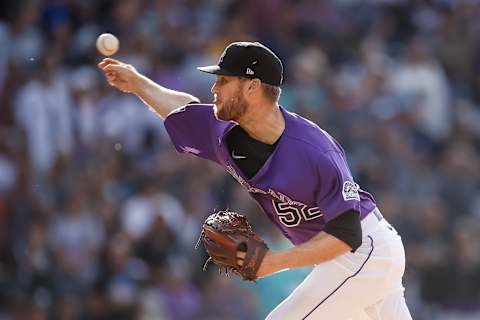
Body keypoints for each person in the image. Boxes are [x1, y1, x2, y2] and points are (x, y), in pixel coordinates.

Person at [98, 41, 412, 319]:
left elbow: (346, 234)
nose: (214, 89)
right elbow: (183, 109)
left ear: (252, 86)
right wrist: (137, 83)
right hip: (347, 259)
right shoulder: (224, 132)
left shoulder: (314, 150)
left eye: (223, 80)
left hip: (365, 251)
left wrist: (274, 262)